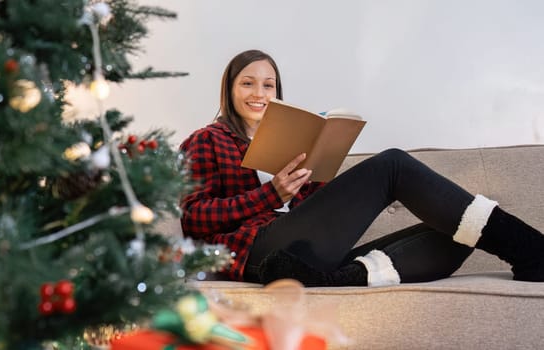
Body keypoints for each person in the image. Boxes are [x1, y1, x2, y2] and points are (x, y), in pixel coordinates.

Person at [178, 49, 544, 287]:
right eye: (247, 83)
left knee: (456, 235)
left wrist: (322, 166)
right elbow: (192, 218)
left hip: (303, 252)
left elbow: (307, 212)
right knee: (392, 165)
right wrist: (269, 194)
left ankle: (337, 278)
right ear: (229, 89)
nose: (259, 92)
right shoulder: (206, 140)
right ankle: (532, 251)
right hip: (255, 252)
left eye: (268, 84)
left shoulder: (287, 141)